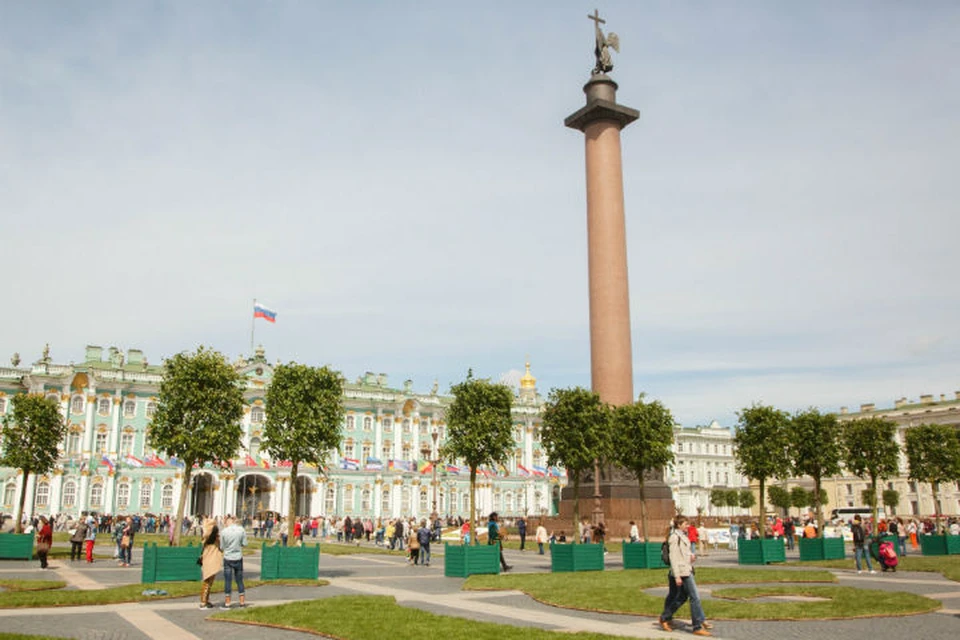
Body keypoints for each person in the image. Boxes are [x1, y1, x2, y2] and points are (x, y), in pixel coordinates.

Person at [659, 516, 713, 637]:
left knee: (682, 597)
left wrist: (691, 556)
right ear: (679, 525)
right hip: (681, 572)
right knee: (695, 597)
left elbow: (684, 552)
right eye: (685, 524)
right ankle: (697, 626)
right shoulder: (674, 537)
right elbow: (673, 557)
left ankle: (664, 617)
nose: (687, 526)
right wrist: (677, 576)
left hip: (687, 569)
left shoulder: (683, 536)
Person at [219, 516, 248, 609]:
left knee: (228, 580)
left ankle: (227, 603)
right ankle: (242, 602)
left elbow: (222, 546)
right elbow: (244, 543)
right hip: (238, 556)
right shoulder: (241, 530)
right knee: (239, 580)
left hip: (228, 557)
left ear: (227, 522)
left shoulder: (224, 531)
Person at [199, 519, 223, 610]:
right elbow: (221, 545)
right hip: (212, 559)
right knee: (208, 581)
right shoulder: (215, 538)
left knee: (208, 581)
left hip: (207, 558)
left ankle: (206, 600)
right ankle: (203, 602)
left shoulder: (206, 538)